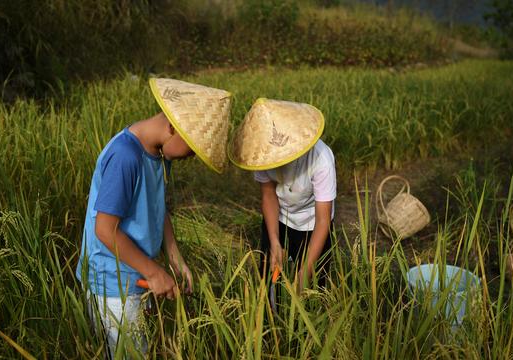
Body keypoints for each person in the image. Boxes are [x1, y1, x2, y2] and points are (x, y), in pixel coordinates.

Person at [76, 78, 232, 357]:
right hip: (113, 285)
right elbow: (105, 229)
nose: (190, 158)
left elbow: (157, 208)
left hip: (137, 275)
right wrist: (153, 271)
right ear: (174, 127)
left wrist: (174, 258)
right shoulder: (126, 157)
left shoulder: (160, 156)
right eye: (191, 150)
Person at [229, 98, 336, 290]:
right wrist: (275, 240)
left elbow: (323, 221)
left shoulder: (321, 159)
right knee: (270, 275)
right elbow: (268, 196)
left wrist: (304, 274)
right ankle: (272, 315)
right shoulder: (261, 154)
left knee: (315, 283)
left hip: (313, 224)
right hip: (280, 219)